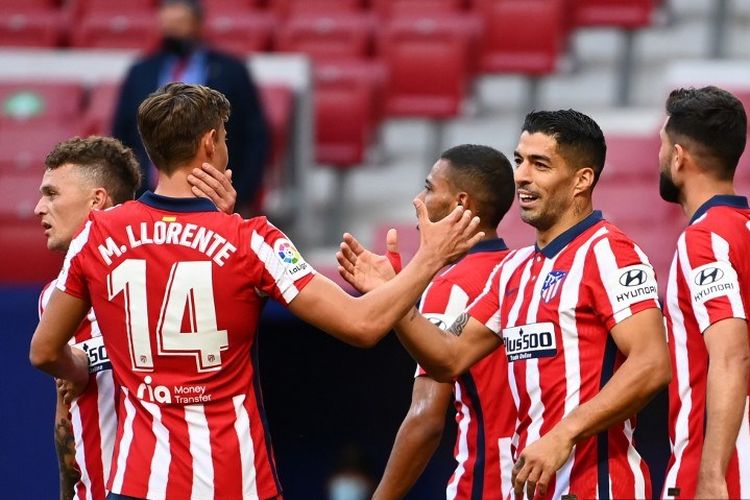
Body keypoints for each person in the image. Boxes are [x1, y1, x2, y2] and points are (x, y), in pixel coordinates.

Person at [29, 83, 482, 499]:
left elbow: (45, 352)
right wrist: (430, 258)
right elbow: (362, 326)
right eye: (223, 137)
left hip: (139, 481)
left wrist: (82, 368)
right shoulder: (251, 240)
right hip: (235, 481)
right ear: (210, 142)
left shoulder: (96, 236)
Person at [339, 109, 672, 499]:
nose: (522, 176)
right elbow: (448, 357)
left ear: (582, 179)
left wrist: (563, 434)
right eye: (519, 161)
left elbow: (652, 363)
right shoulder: (512, 271)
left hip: (598, 487)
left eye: (540, 164)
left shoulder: (609, 253)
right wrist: (395, 296)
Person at [34, 135, 237, 500]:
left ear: (97, 200)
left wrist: (224, 226)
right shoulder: (54, 299)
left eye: (51, 194)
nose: (38, 208)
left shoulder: (174, 273)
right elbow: (66, 409)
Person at [362, 144, 517, 500]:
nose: (420, 198)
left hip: (486, 482)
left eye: (430, 188)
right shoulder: (521, 271)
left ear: (461, 203)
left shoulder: (451, 286)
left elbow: (425, 417)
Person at [658, 86, 750, 499]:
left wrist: (712, 477)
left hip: (724, 466)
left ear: (679, 157)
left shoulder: (706, 240)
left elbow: (732, 354)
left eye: (662, 146)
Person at [112, 0, 269, 211]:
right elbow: (122, 131)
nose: (172, 31)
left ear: (197, 24)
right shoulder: (141, 71)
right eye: (168, 25)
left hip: (215, 196)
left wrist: (242, 192)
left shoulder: (232, 70)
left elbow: (255, 135)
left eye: (179, 23)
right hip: (148, 197)